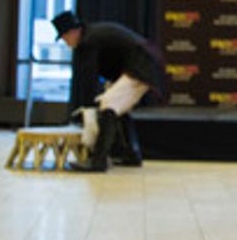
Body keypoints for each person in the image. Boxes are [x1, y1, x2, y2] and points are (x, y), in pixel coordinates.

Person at [51, 11, 163, 172]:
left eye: (64, 37)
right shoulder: (91, 36)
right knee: (118, 108)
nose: (65, 41)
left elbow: (89, 78)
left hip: (140, 67)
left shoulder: (88, 41)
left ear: (73, 32)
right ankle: (132, 154)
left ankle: (98, 161)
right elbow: (89, 77)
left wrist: (88, 111)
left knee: (109, 104)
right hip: (139, 66)